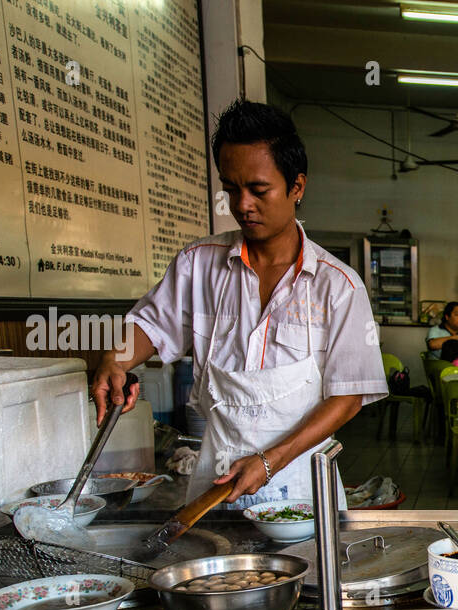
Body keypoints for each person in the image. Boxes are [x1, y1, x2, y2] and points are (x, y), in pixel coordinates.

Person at [90, 100, 387, 508]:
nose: (242, 204)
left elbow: (348, 397)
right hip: (214, 481)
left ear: (296, 187)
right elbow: (153, 325)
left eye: (258, 190)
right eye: (231, 189)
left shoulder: (338, 287)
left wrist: (270, 462)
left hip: (300, 486)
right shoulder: (199, 265)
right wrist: (116, 359)